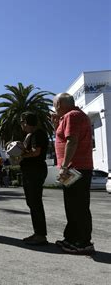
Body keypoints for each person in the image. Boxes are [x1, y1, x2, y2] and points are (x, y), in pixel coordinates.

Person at [52, 93, 95, 255]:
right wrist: (56, 126)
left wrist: (64, 166)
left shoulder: (72, 115)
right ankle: (71, 238)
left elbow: (72, 140)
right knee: (72, 205)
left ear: (60, 104)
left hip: (75, 169)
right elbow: (64, 138)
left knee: (78, 206)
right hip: (74, 169)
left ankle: (83, 242)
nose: (53, 107)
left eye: (54, 103)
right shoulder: (70, 117)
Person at [19, 111, 49, 246]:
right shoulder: (30, 135)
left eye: (22, 122)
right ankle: (38, 232)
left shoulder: (38, 134)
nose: (21, 125)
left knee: (35, 203)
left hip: (35, 171)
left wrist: (22, 155)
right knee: (32, 202)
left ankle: (40, 235)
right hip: (31, 171)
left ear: (26, 122)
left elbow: (36, 152)